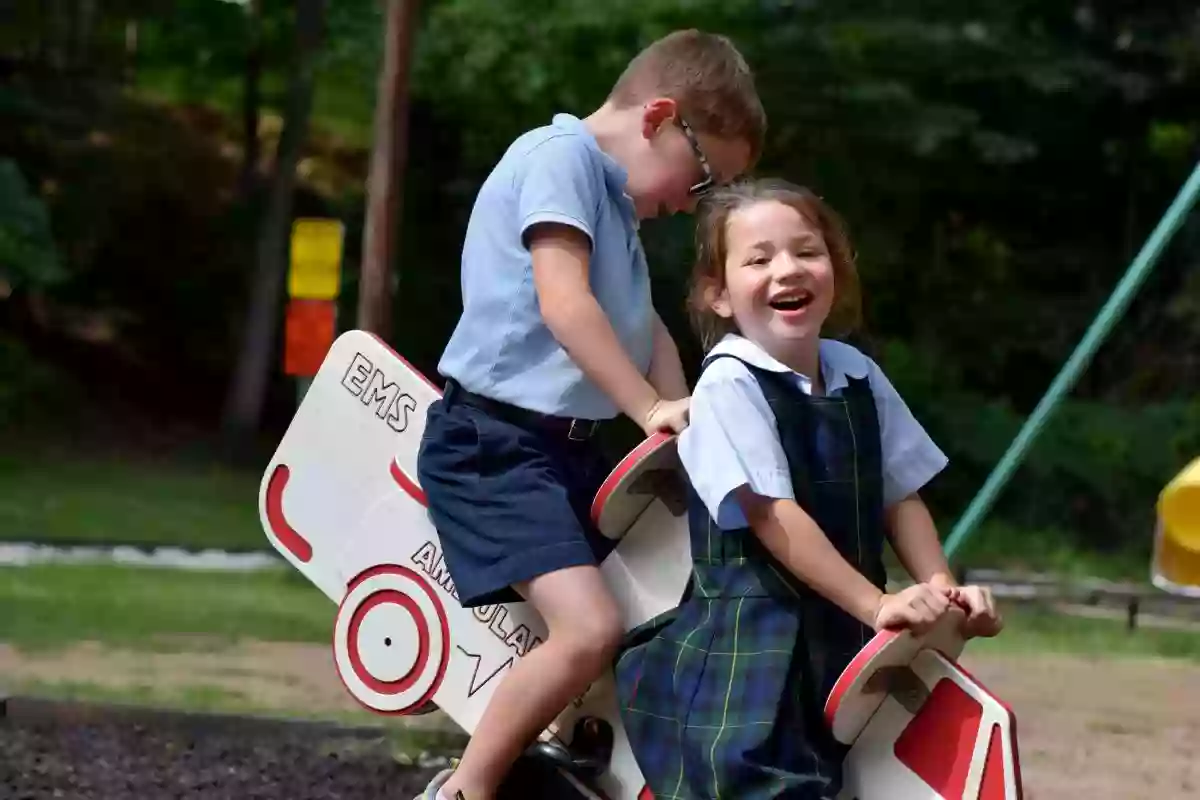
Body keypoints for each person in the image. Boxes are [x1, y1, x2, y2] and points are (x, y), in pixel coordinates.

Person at [413, 30, 768, 800]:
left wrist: (695, 419)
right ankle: (462, 792)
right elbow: (565, 305)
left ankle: (538, 769)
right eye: (703, 176)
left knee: (633, 626)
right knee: (589, 631)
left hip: (560, 451)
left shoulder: (615, 207)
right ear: (660, 117)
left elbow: (646, 337)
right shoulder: (558, 161)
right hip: (493, 442)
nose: (691, 203)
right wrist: (647, 410)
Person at [614, 178, 1004, 799]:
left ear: (835, 269)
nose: (787, 270)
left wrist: (941, 590)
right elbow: (772, 516)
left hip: (842, 640)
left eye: (807, 251)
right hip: (754, 656)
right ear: (717, 294)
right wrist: (878, 605)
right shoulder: (727, 385)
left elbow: (899, 495)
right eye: (759, 258)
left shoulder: (857, 374)